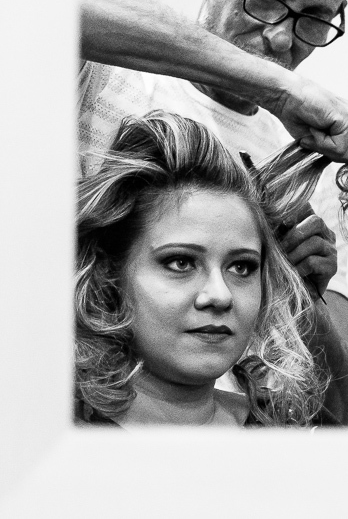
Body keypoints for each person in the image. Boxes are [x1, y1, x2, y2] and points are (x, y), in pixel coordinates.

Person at [78, 0, 348, 423]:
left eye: (314, 18)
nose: (281, 38)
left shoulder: (307, 171)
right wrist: (275, 87)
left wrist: (302, 295)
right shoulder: (109, 79)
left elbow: (342, 414)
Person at [75, 111, 330, 427]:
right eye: (180, 263)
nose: (220, 296)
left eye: (241, 267)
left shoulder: (281, 433)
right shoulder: (54, 437)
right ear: (109, 275)